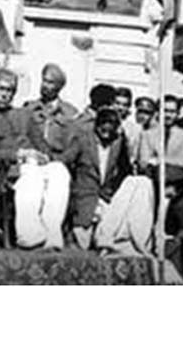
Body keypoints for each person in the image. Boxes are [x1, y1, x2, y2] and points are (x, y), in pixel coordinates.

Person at [0, 69, 68, 250]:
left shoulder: (23, 115)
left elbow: (42, 145)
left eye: (10, 90)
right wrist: (20, 154)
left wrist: (45, 156)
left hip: (31, 164)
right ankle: (28, 234)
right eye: (1, 88)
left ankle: (52, 234)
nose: (5, 94)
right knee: (31, 173)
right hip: (0, 171)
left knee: (59, 171)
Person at [70, 106, 153, 255]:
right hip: (84, 199)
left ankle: (119, 242)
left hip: (107, 199)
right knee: (83, 243)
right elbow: (67, 162)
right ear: (97, 126)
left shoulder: (119, 142)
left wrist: (112, 193)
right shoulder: (83, 140)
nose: (106, 132)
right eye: (103, 127)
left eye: (111, 128)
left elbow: (124, 171)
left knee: (140, 185)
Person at [23, 63, 78, 154]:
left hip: (57, 160)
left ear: (59, 87)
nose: (45, 85)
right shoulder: (29, 108)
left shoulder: (69, 112)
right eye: (44, 80)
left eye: (50, 82)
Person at [134, 95, 183, 178]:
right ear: (158, 112)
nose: (168, 115)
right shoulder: (147, 135)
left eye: (172, 112)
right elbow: (144, 162)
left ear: (178, 114)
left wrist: (158, 160)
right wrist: (171, 160)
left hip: (177, 181)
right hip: (152, 179)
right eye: (165, 111)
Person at [115, 87, 141, 151]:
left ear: (129, 107)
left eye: (124, 105)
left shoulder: (133, 128)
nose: (120, 108)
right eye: (117, 103)